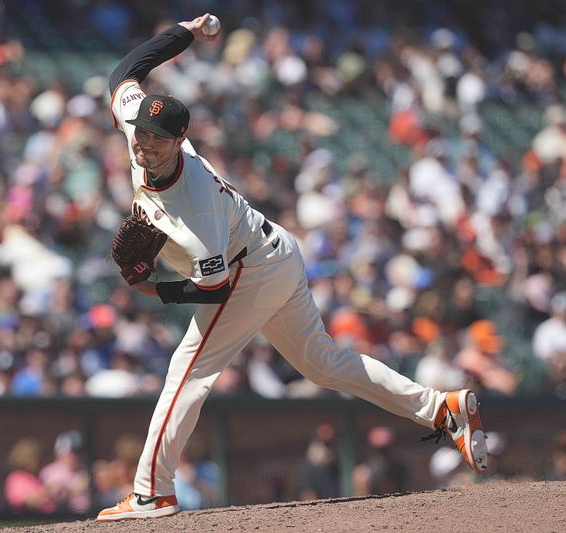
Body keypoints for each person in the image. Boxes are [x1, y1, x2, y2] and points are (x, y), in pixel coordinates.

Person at [97, 13, 488, 522]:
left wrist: (159, 290)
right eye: (142, 132)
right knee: (321, 363)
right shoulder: (138, 130)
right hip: (274, 248)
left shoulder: (198, 219)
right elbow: (127, 70)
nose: (143, 144)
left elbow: (213, 290)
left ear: (179, 141)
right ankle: (441, 408)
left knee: (187, 371)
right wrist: (187, 34)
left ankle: (153, 492)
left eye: (156, 138)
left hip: (245, 270)